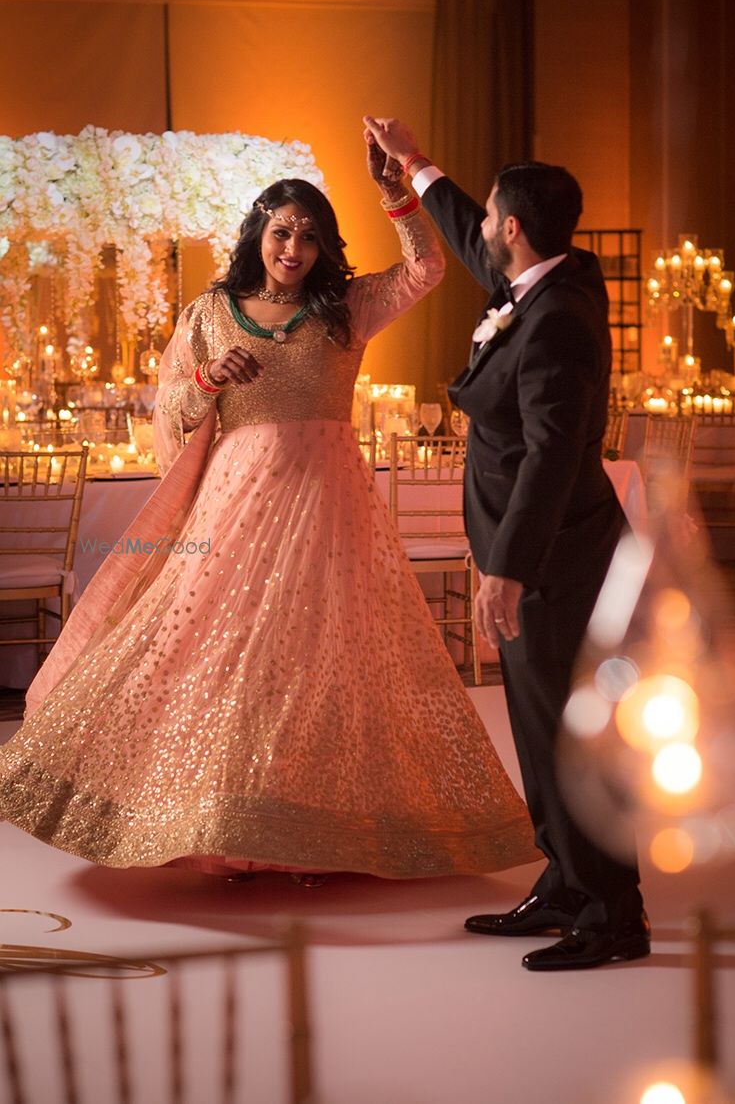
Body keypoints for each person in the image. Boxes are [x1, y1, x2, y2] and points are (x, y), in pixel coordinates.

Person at [0, 135, 539, 882]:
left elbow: (426, 269)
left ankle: (316, 824)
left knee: (322, 661)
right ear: (257, 233)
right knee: (214, 653)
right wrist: (206, 375)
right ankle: (212, 814)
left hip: (329, 511)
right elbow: (173, 416)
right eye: (283, 230)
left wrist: (397, 194)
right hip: (232, 510)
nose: (295, 247)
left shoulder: (345, 309)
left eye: (311, 235)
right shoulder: (210, 312)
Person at [362, 116, 650, 970]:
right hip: (537, 557)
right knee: (534, 724)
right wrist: (414, 165)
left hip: (554, 561)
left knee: (568, 733)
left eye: (492, 218)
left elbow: (555, 456)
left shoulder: (555, 315)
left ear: (515, 228)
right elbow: (462, 225)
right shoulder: (541, 279)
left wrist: (507, 570)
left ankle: (611, 913)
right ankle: (563, 881)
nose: (481, 228)